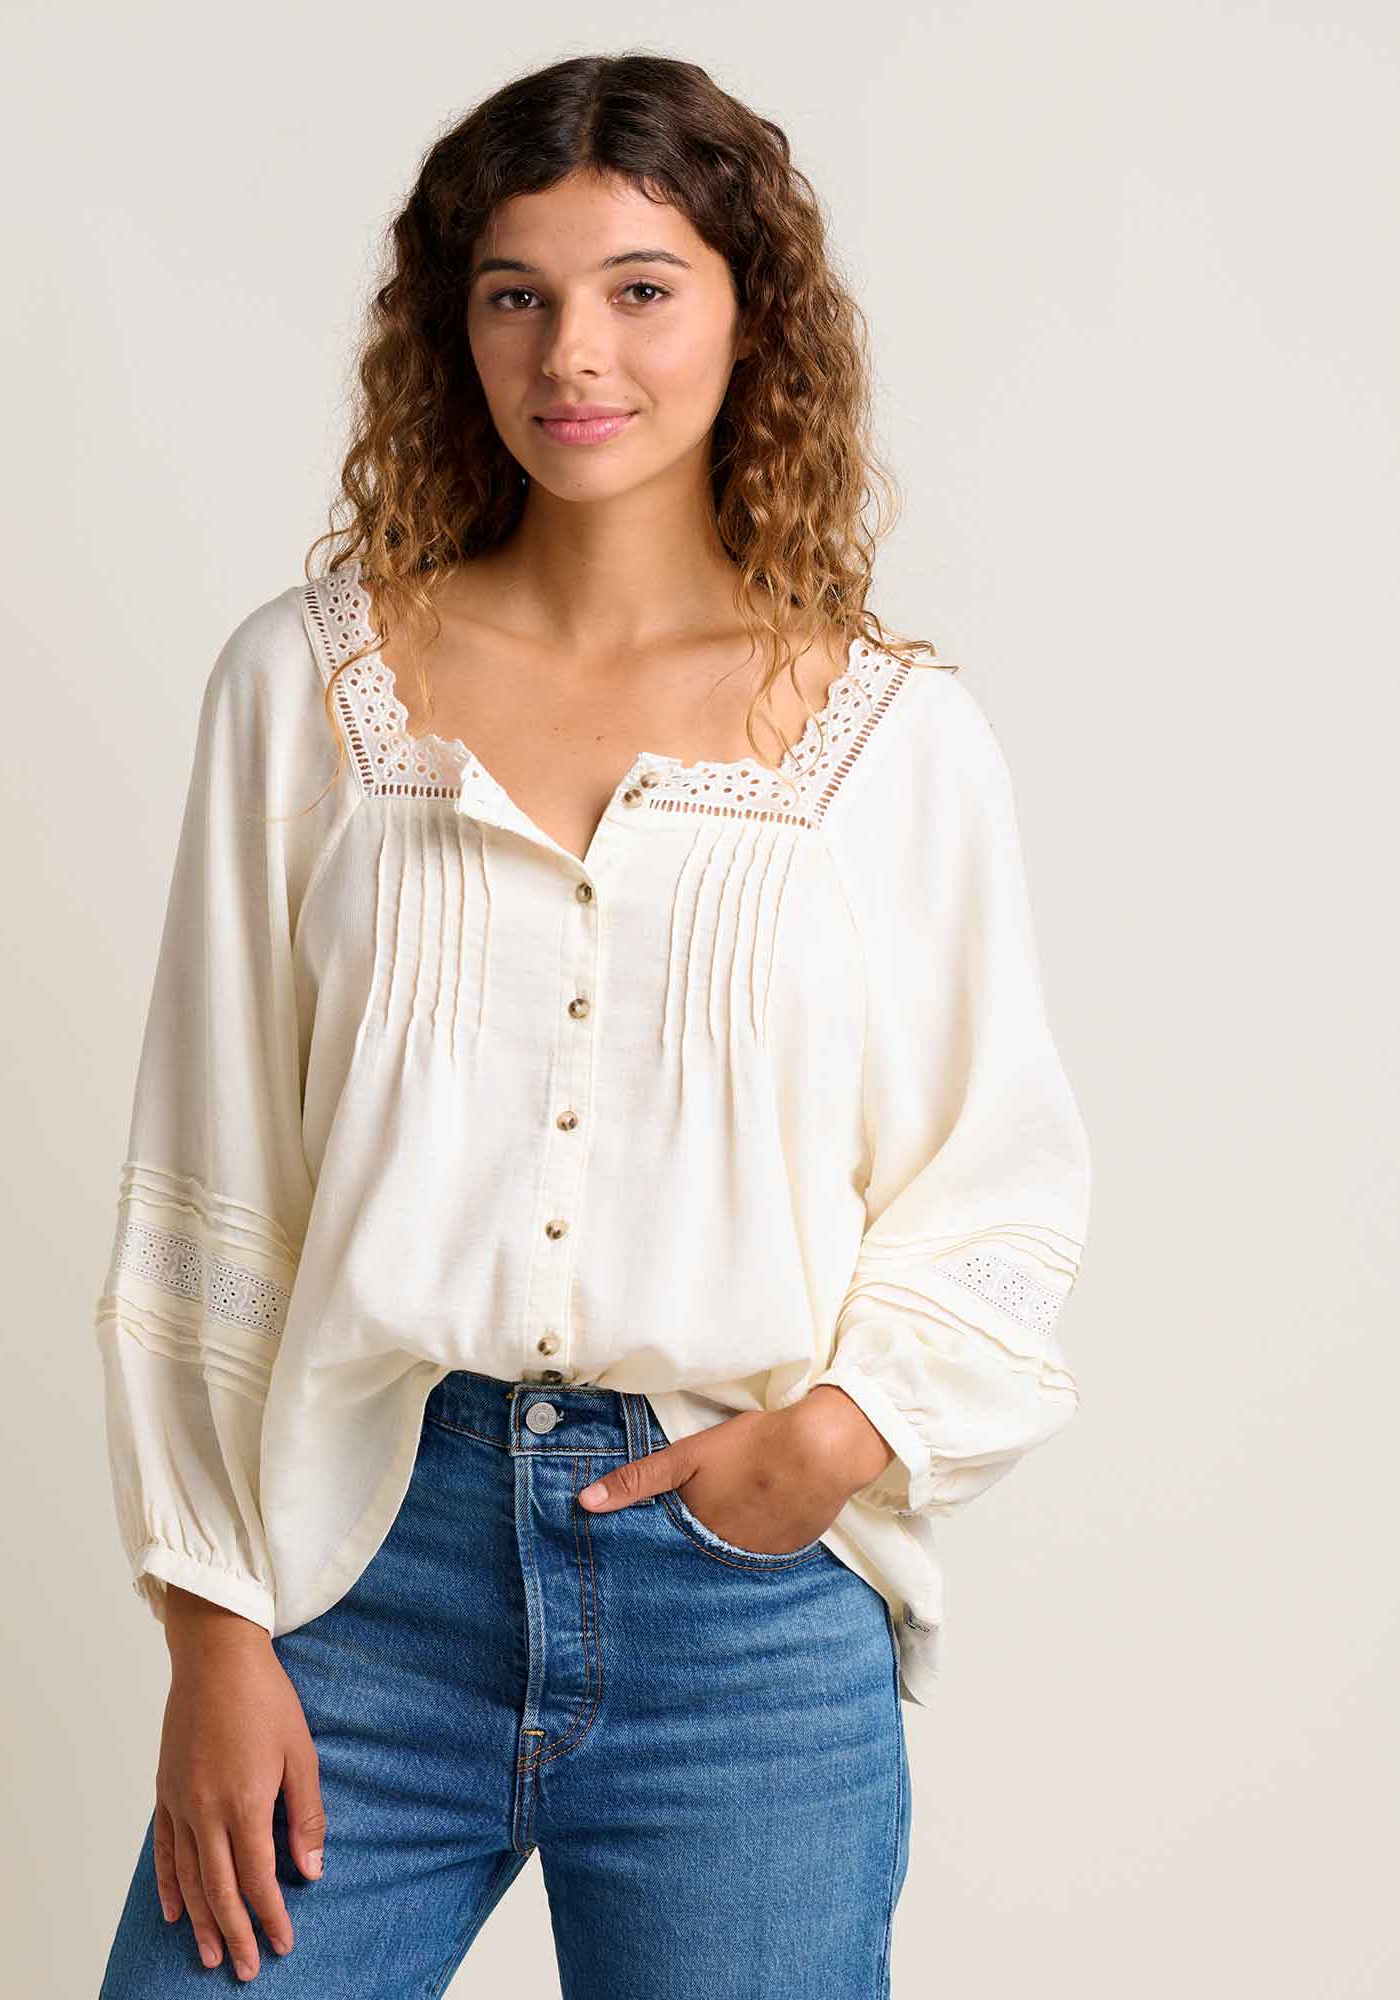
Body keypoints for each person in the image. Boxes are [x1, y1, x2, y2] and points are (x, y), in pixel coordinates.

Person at [92, 51, 1092, 1999]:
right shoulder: (306, 691)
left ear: (751, 315)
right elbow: (212, 1170)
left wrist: (843, 1433)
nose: (575, 352)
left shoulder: (895, 744)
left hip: (742, 1615)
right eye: (516, 293)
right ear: (450, 327)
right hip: (358, 1583)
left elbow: (997, 1178)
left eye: (642, 287)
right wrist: (211, 1622)